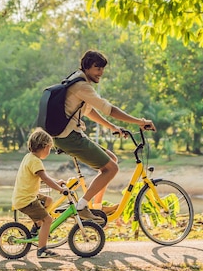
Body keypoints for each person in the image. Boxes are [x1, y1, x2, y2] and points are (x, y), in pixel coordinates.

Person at [53, 50, 156, 222]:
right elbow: (109, 109)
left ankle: (97, 207)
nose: (100, 72)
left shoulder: (78, 79)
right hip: (69, 137)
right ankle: (83, 206)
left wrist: (112, 127)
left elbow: (89, 111)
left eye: (102, 68)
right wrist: (140, 121)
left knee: (111, 159)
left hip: (69, 135)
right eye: (97, 68)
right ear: (87, 67)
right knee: (111, 169)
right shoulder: (82, 86)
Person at [11, 128, 66, 258]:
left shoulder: (28, 157)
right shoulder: (35, 161)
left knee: (48, 201)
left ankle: (37, 226)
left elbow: (41, 179)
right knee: (48, 220)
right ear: (44, 147)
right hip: (27, 200)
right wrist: (60, 189)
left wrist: (57, 183)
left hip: (25, 196)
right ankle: (42, 249)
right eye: (49, 148)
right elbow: (45, 178)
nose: (49, 151)